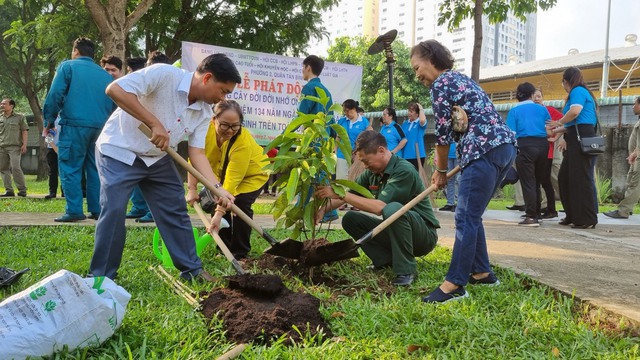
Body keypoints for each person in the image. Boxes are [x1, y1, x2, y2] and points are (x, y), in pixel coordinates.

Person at [88, 53, 240, 282]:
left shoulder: (204, 112)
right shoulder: (164, 74)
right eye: (223, 91)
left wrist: (217, 188)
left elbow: (196, 153)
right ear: (207, 78)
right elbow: (115, 90)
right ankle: (101, 276)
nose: (222, 98)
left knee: (175, 208)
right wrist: (154, 123)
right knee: (115, 208)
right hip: (119, 150)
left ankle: (192, 270)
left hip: (155, 159)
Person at [410, 39, 516, 303]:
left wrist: (441, 171)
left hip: (482, 149)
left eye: (416, 67)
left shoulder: (441, 84)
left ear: (431, 59)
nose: (417, 74)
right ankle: (481, 273)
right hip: (504, 148)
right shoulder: (461, 79)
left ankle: (454, 284)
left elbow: (443, 136)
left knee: (465, 217)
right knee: (473, 214)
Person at [314, 130, 439, 286]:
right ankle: (384, 261)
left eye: (366, 161)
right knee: (351, 219)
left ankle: (406, 270)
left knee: (392, 209)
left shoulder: (403, 170)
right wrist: (321, 211)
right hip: (397, 232)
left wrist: (340, 195)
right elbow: (347, 195)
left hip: (423, 236)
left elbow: (380, 208)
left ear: (381, 151)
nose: (365, 166)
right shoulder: (372, 173)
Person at [43, 37, 114, 222]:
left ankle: (74, 210)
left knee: (70, 166)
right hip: (100, 127)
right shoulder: (105, 75)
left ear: (75, 50)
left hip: (74, 125)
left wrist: (49, 120)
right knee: (94, 168)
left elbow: (55, 94)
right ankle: (97, 209)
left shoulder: (68, 67)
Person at [187, 100, 268, 260]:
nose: (230, 130)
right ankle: (223, 248)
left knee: (239, 204)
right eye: (224, 125)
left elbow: (232, 181)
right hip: (220, 174)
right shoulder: (204, 130)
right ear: (213, 120)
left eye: (235, 126)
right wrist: (192, 189)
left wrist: (219, 213)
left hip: (252, 175)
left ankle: (240, 252)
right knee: (215, 199)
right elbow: (194, 160)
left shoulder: (242, 142)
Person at [546, 67, 599, 229]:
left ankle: (587, 218)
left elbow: (575, 112)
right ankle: (572, 215)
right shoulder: (581, 92)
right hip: (576, 135)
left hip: (582, 137)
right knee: (565, 177)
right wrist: (556, 132)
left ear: (565, 81)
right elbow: (573, 123)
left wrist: (558, 122)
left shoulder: (577, 91)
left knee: (581, 178)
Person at [126, 50, 174, 224]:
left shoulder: (167, 84)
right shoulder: (145, 83)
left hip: (161, 140)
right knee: (138, 175)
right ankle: (139, 207)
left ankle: (154, 212)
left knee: (156, 180)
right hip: (141, 137)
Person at [506, 82, 555, 226]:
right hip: (543, 145)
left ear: (518, 95)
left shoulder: (514, 111)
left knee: (528, 182)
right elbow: (550, 131)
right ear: (532, 95)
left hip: (525, 145)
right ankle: (537, 213)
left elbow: (511, 134)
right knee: (538, 181)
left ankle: (531, 215)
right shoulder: (542, 109)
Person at [298, 55, 339, 223]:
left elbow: (301, 116)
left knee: (309, 172)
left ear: (308, 67)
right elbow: (331, 118)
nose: (302, 71)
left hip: (312, 137)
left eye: (303, 68)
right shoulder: (326, 91)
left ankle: (302, 209)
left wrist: (289, 135)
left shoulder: (308, 88)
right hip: (325, 139)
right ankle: (327, 211)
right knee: (321, 173)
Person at [604, 96, 640, 219]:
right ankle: (627, 209)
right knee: (631, 182)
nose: (633, 107)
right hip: (636, 158)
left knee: (635, 184)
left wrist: (635, 153)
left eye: (635, 104)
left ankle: (623, 211)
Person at [534, 88, 564, 201]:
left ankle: (567, 203)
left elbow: (566, 122)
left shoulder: (549, 110)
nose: (536, 99)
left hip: (551, 148)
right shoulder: (530, 113)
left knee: (553, 176)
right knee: (541, 179)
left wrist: (557, 137)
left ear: (543, 98)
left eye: (539, 96)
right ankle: (543, 205)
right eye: (534, 96)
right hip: (536, 149)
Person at [336, 99, 372, 180]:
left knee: (355, 179)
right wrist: (334, 151)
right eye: (344, 111)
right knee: (341, 180)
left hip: (357, 155)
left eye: (348, 111)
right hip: (342, 154)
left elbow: (370, 136)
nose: (346, 113)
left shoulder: (363, 121)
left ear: (354, 109)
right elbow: (338, 137)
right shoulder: (342, 121)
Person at [0, 98, 28, 197]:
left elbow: (24, 131)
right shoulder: (0, 118)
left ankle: (22, 190)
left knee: (15, 167)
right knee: (3, 169)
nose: (1, 105)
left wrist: (24, 144)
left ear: (11, 106)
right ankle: (9, 191)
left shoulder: (19, 117)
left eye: (4, 104)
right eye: (1, 103)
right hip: (2, 147)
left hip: (15, 147)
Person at [401, 102, 427, 170]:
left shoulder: (419, 123)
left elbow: (422, 120)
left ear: (417, 114)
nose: (409, 113)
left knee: (417, 176)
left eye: (411, 111)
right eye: (408, 111)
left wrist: (421, 108)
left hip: (417, 155)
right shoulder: (405, 123)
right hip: (406, 155)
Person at [43, 117, 62, 199]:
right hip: (52, 149)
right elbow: (47, 138)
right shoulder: (50, 120)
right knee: (53, 171)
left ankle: (65, 192)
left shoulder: (67, 117)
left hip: (65, 148)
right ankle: (52, 192)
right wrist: (55, 148)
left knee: (64, 172)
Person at [439, 142, 459, 212]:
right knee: (449, 179)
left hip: (458, 154)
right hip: (448, 155)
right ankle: (450, 203)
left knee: (458, 179)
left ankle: (459, 203)